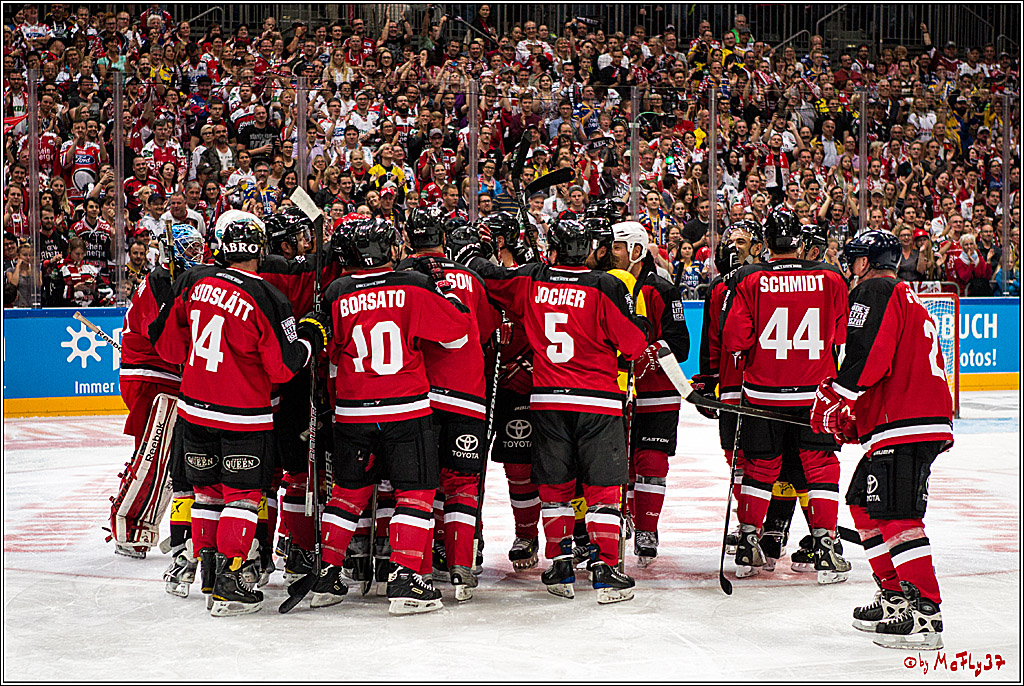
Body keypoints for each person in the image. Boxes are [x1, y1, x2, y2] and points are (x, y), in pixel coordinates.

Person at [469, 217, 663, 603]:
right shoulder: (605, 283)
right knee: (603, 490)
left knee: (554, 489)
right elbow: (634, 343)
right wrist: (639, 323)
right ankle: (605, 570)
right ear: (589, 250)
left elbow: (489, 277)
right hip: (598, 402)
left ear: (553, 249)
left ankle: (559, 565)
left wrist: (475, 252)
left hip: (547, 401)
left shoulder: (533, 279)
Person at [304, 216, 474, 615]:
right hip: (404, 407)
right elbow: (458, 334)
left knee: (347, 494)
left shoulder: (336, 291)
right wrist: (447, 293)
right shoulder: (410, 286)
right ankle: (404, 578)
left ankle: (328, 575)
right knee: (414, 493)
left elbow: (325, 354)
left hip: (351, 411)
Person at [152, 212, 317, 616]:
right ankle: (231, 581)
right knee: (241, 497)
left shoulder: (193, 281)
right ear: (258, 251)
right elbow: (283, 367)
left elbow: (167, 347)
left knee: (207, 494)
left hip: (194, 409)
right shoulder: (268, 297)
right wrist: (310, 336)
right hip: (243, 416)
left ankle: (209, 574)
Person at [811, 230, 952, 650]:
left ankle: (925, 613)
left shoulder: (874, 289)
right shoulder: (904, 296)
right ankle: (894, 596)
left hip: (906, 424)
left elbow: (868, 352)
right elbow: (893, 361)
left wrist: (839, 396)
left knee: (896, 514)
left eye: (852, 259)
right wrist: (859, 417)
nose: (848, 267)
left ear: (865, 262)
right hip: (903, 420)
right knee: (863, 504)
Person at [721, 210, 851, 583]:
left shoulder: (750, 279)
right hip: (815, 396)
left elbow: (735, 340)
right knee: (820, 466)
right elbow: (840, 337)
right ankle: (825, 544)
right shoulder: (830, 277)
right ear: (798, 241)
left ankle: (748, 541)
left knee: (760, 467)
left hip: (763, 393)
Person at [397, 209, 500, 600]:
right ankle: (460, 566)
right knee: (462, 484)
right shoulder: (471, 278)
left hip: (418, 396)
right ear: (443, 241)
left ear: (409, 242)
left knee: (418, 485)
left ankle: (418, 568)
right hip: (467, 396)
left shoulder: (402, 279)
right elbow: (486, 330)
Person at [604, 221, 690, 567]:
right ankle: (621, 518)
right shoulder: (605, 284)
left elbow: (680, 344)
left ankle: (647, 528)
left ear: (637, 250)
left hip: (657, 390)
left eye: (619, 247)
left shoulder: (664, 289)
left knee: (651, 460)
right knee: (617, 462)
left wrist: (649, 354)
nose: (613, 253)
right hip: (616, 389)